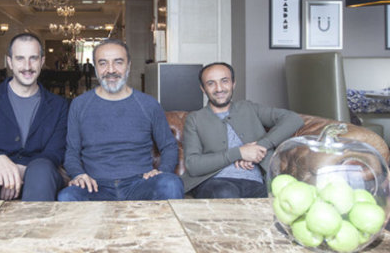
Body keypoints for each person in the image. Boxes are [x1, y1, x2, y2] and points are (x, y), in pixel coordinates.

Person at [58, 39, 185, 201]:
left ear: (128, 66)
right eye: (103, 63)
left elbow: (169, 146)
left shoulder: (149, 104)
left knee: (171, 184)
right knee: (67, 196)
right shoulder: (79, 104)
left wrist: (162, 171)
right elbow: (71, 152)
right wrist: (78, 174)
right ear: (95, 67)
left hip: (140, 184)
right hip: (95, 186)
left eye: (118, 62)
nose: (111, 70)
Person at [0, 33, 68, 201]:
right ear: (10, 62)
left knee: (41, 169)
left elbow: (55, 152)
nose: (27, 66)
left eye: (33, 58)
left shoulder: (59, 105)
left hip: (40, 175)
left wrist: (19, 170)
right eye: (20, 59)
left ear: (42, 62)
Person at [182, 62, 304, 199]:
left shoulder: (249, 108)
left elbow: (294, 119)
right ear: (203, 88)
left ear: (233, 84)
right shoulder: (195, 119)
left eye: (224, 81)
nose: (219, 88)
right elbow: (193, 165)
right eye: (211, 83)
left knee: (280, 198)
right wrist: (240, 153)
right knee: (226, 193)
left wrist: (260, 147)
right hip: (215, 182)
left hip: (256, 183)